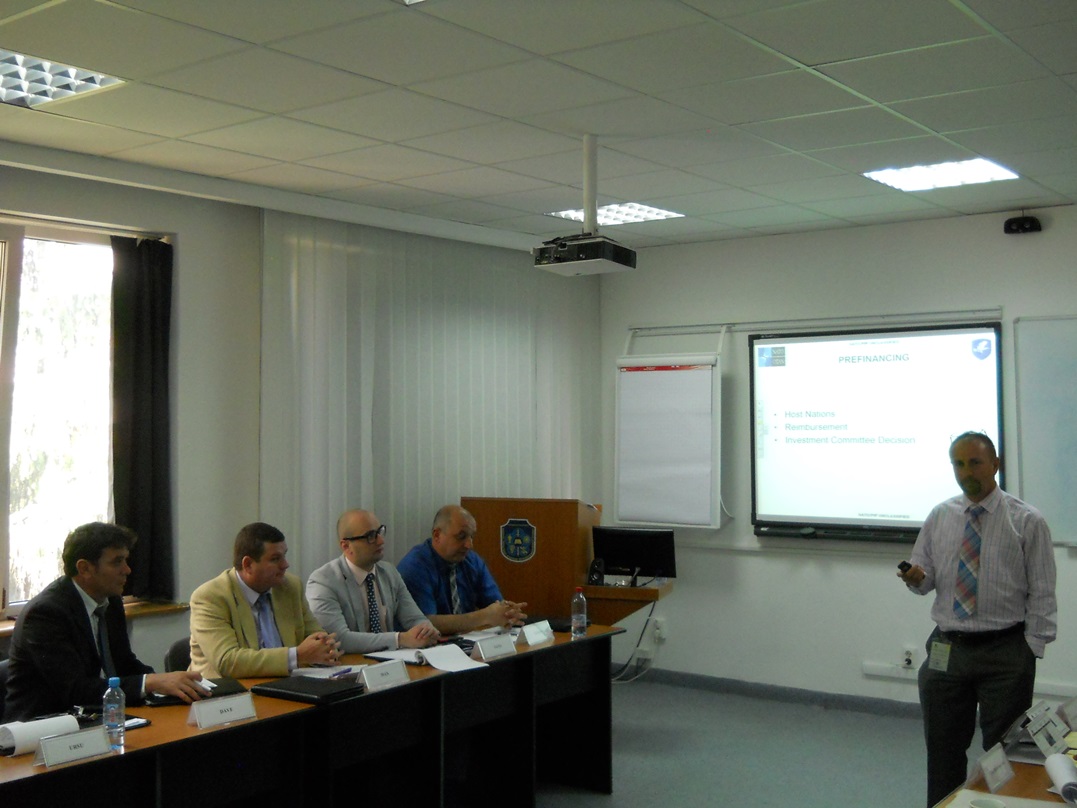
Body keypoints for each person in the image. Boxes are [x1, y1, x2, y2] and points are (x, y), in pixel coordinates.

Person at [898, 432, 1057, 807]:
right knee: (943, 750)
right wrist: (916, 579)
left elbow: (1043, 590)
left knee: (1003, 755)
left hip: (1005, 653)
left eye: (975, 463)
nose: (966, 472)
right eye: (958, 464)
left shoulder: (1026, 520)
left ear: (995, 465)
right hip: (947, 650)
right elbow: (926, 579)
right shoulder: (940, 516)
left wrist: (1030, 649)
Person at [3, 522, 207, 722]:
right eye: (117, 562)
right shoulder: (46, 613)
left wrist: (168, 684)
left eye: (126, 560)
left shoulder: (110, 601)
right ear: (84, 568)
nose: (127, 570)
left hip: (99, 715)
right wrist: (150, 683)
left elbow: (124, 663)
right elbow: (75, 690)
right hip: (43, 726)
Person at [189, 521, 339, 678]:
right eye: (275, 559)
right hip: (228, 690)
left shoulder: (290, 587)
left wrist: (326, 648)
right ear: (248, 565)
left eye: (284, 556)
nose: (285, 565)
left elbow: (316, 636)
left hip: (287, 685)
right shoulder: (210, 597)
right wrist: (297, 656)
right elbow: (227, 661)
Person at [306, 509, 440, 654]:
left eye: (380, 532)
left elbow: (415, 618)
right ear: (346, 546)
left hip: (391, 661)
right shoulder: (323, 582)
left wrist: (427, 630)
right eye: (370, 536)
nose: (381, 540)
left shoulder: (389, 572)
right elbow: (339, 639)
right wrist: (399, 639)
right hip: (350, 663)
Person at [397, 504, 527, 634]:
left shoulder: (472, 561)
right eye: (461, 536)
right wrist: (483, 617)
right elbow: (424, 623)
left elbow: (494, 604)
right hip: (429, 644)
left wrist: (507, 612)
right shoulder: (414, 567)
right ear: (437, 535)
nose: (469, 545)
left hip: (467, 641)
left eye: (471, 536)